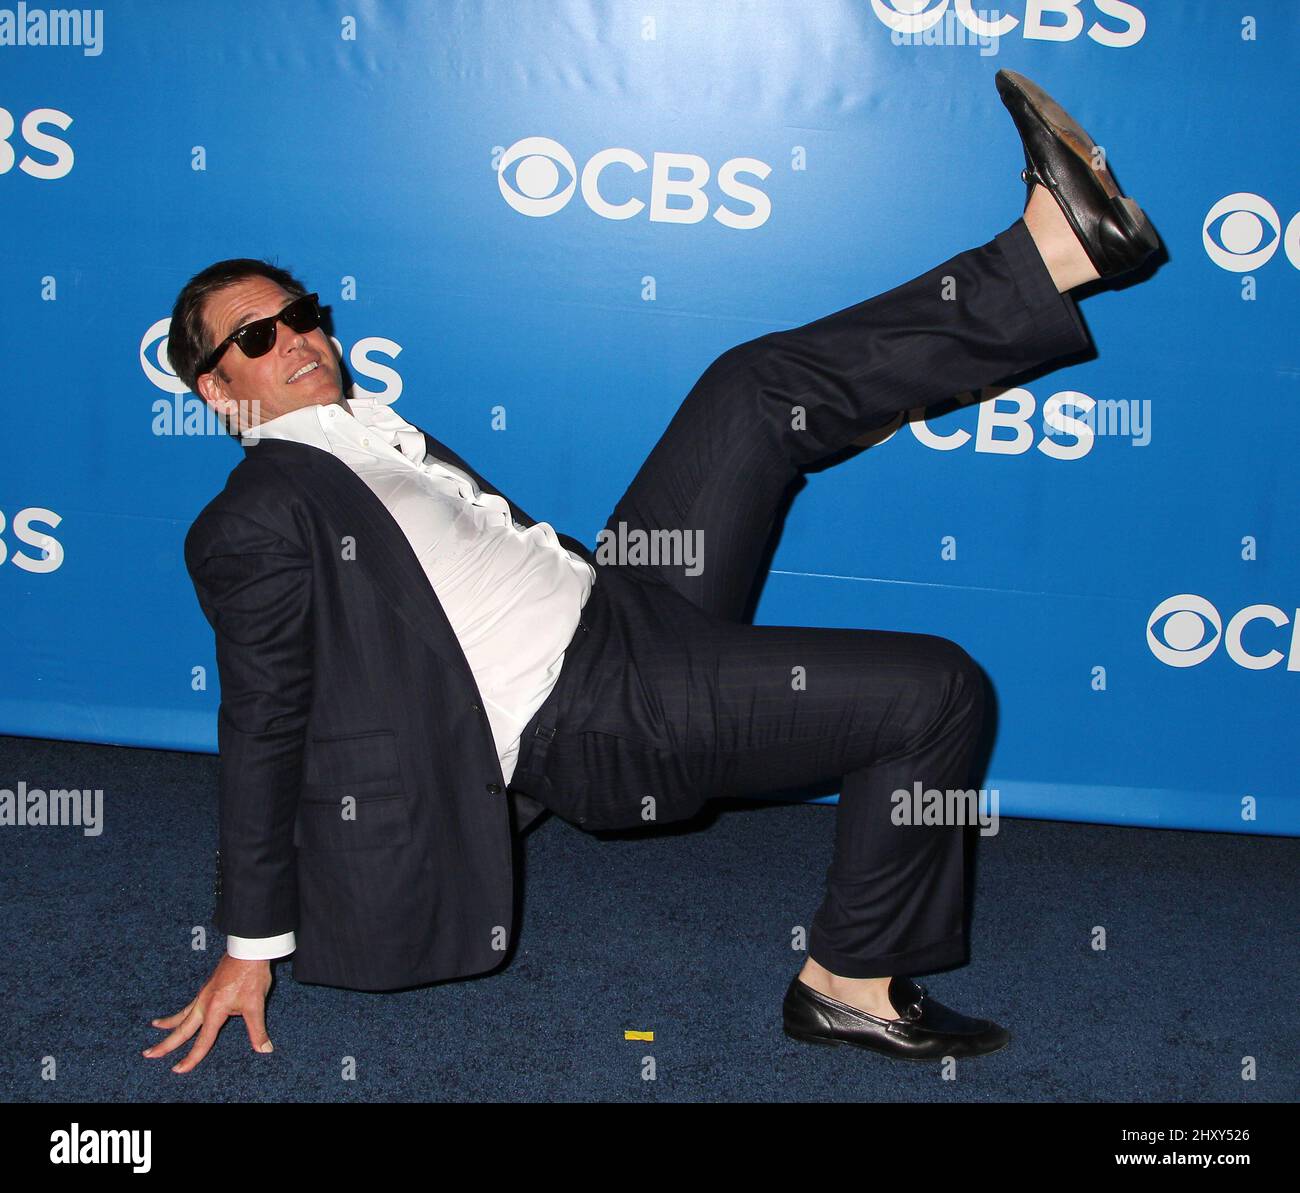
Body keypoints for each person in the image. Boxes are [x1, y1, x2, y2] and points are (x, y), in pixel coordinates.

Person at [142, 70, 1159, 1073]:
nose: (298, 339)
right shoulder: (255, 513)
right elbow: (263, 721)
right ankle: (850, 983)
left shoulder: (370, 431)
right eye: (257, 337)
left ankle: (1055, 251)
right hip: (598, 712)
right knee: (934, 690)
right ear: (212, 386)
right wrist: (249, 941)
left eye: (303, 312)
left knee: (750, 387)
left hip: (624, 597)